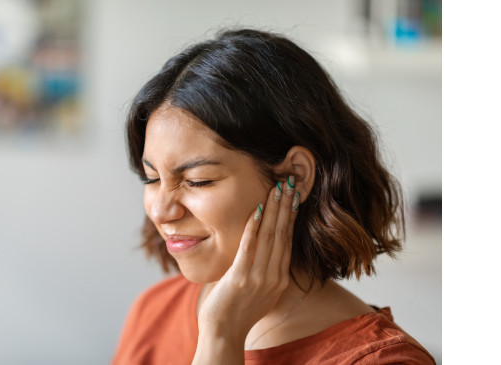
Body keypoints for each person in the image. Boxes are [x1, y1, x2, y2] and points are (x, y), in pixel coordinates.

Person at [112, 29, 435, 364]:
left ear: (294, 176)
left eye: (198, 181)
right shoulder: (153, 310)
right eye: (151, 178)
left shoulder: (380, 361)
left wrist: (222, 338)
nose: (161, 211)